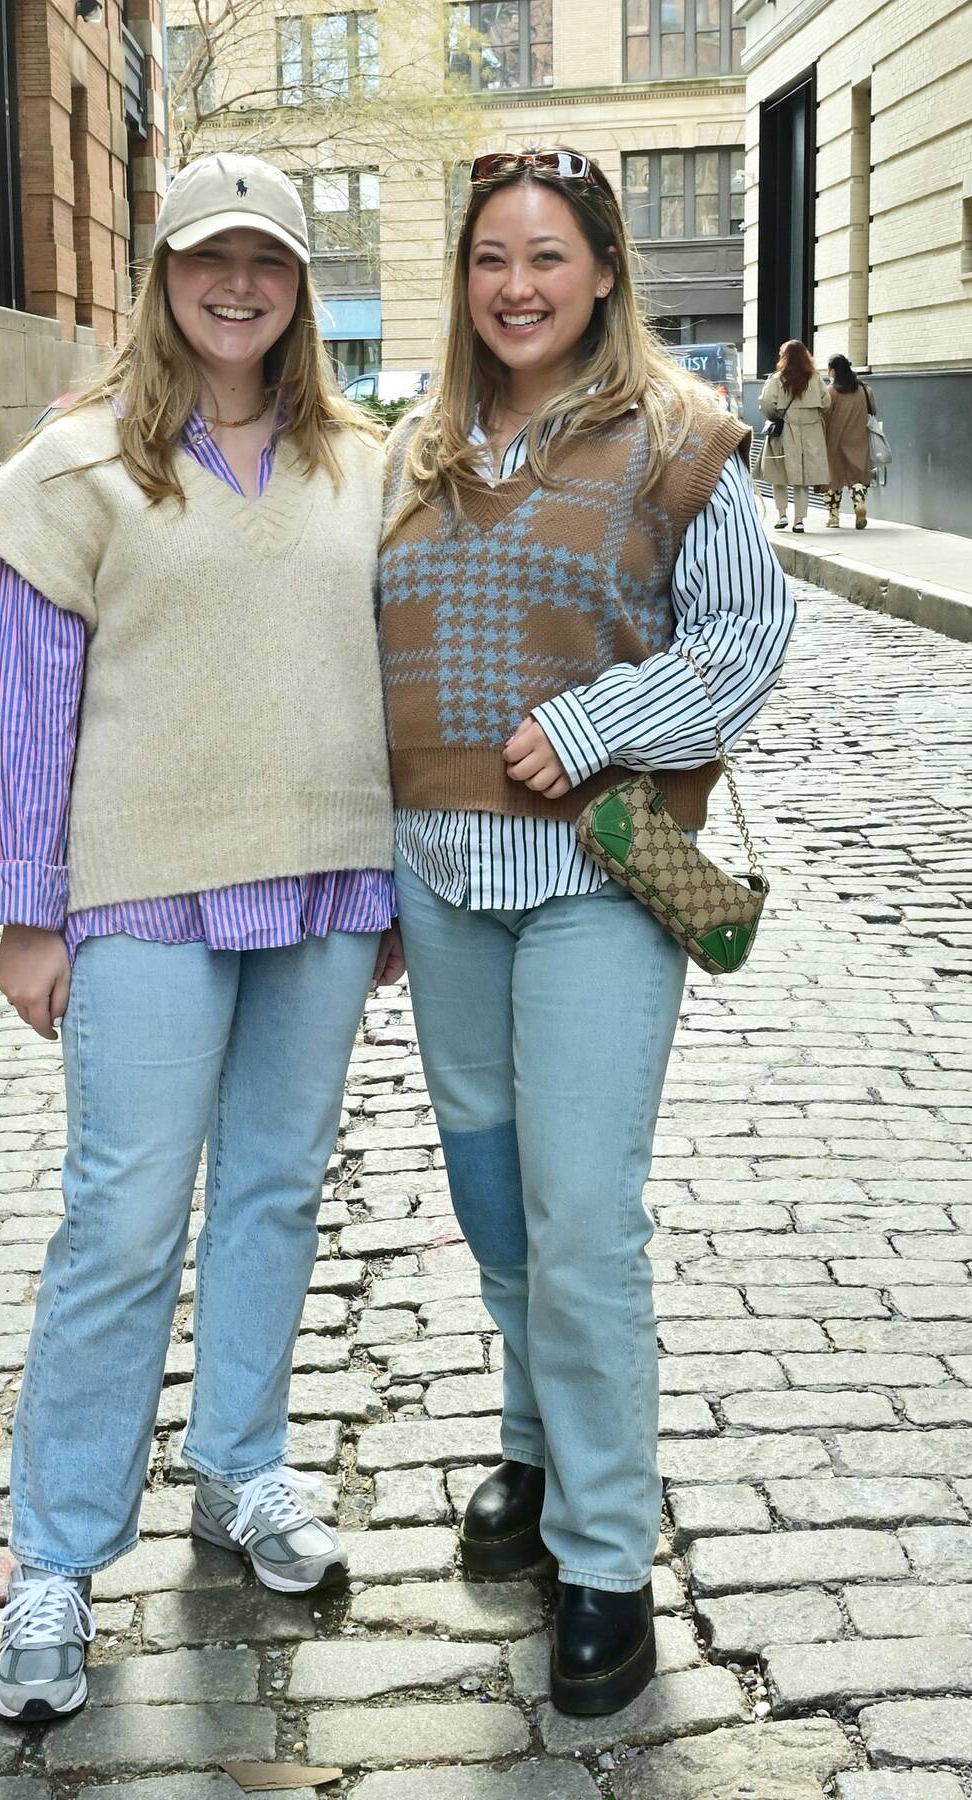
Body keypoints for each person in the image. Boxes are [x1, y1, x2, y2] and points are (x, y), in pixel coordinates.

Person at [0, 152, 403, 1724]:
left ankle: (244, 1470)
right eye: (209, 258)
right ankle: (59, 1561)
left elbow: (392, 681)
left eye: (266, 261)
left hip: (327, 883)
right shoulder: (81, 468)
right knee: (125, 1219)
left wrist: (392, 886)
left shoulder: (366, 468)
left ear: (298, 286)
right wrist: (23, 909)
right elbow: (25, 703)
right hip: (138, 888)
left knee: (276, 1191)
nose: (238, 285)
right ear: (161, 273)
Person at [379, 148, 795, 1717]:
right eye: (492, 259)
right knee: (494, 1194)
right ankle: (537, 1445)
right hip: (441, 874)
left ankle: (608, 1556)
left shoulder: (681, 441)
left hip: (599, 879)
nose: (519, 287)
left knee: (583, 1208)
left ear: (604, 270)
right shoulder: (415, 449)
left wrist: (604, 713)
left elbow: (750, 632)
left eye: (548, 257)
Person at [758, 338, 831, 532]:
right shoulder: (815, 378)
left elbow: (766, 404)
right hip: (811, 431)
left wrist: (776, 416)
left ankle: (782, 514)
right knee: (803, 478)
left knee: (778, 474)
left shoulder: (776, 379)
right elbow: (826, 402)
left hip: (784, 432)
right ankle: (799, 520)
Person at [822, 353, 875, 529]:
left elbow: (825, 416)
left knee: (833, 478)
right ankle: (859, 503)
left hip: (834, 440)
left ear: (833, 370)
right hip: (859, 437)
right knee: (857, 475)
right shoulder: (864, 389)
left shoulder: (831, 392)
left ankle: (834, 517)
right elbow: (872, 411)